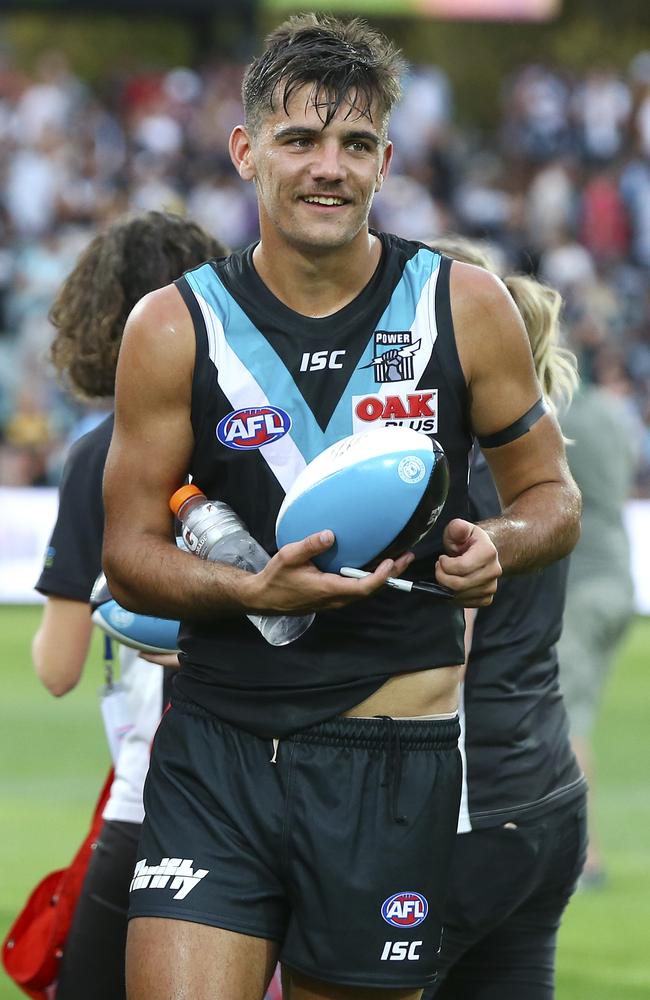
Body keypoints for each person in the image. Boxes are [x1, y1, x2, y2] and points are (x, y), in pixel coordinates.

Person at [102, 15, 581, 1000]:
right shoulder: (171, 326)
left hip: (389, 758)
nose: (328, 167)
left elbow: (551, 495)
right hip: (215, 754)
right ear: (244, 151)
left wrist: (497, 543)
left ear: (386, 160)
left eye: (355, 143)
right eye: (299, 139)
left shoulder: (461, 303)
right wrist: (246, 587)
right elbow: (128, 554)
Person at [31, 210, 225, 1000]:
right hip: (276, 782)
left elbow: (56, 667)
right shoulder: (250, 434)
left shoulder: (102, 452)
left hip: (157, 791)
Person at [418, 236, 587, 1000]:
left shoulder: (452, 472)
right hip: (545, 795)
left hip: (468, 810)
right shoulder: (527, 468)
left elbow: (443, 659)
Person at [557, 374, 639, 886]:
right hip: (619, 579)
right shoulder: (613, 412)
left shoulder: (557, 420)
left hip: (581, 589)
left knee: (566, 721)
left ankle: (586, 858)